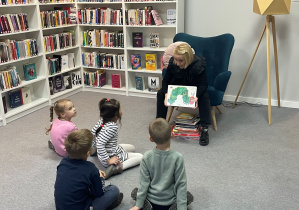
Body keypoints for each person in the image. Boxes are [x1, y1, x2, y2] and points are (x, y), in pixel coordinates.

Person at [130, 118, 193, 210]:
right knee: (188, 196)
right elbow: (181, 184)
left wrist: (138, 205)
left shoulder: (146, 157)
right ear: (172, 134)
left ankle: (146, 205)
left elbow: (144, 183)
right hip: (169, 202)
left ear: (150, 139)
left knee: (136, 192)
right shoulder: (178, 158)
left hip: (151, 201)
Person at [157, 43, 212, 146]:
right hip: (177, 86)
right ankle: (159, 125)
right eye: (176, 60)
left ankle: (204, 129)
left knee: (204, 96)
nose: (177, 63)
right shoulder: (173, 62)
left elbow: (203, 84)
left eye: (181, 60)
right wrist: (165, 94)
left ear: (188, 58)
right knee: (160, 93)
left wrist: (196, 97)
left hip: (193, 87)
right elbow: (166, 80)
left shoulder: (198, 63)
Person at [54, 129, 123, 210]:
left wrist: (95, 173)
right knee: (114, 190)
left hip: (60, 207)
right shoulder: (90, 168)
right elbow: (98, 194)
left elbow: (75, 177)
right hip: (84, 207)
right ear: (88, 153)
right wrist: (99, 177)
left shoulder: (63, 162)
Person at [92, 98, 143, 180]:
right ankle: (116, 168)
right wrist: (108, 160)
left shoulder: (102, 120)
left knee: (132, 148)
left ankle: (98, 152)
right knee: (141, 157)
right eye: (120, 108)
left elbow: (93, 132)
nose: (121, 109)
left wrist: (94, 147)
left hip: (109, 150)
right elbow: (100, 144)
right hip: (112, 157)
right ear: (116, 115)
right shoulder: (112, 127)